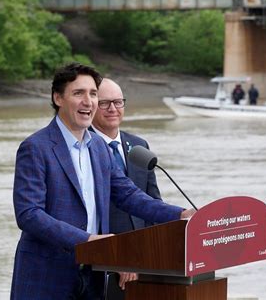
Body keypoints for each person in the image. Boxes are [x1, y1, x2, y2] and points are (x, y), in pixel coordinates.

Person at [10, 63, 195, 300]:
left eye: (93, 94)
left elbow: (129, 195)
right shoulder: (35, 147)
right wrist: (87, 241)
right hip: (47, 275)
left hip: (93, 276)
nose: (88, 102)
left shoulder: (98, 146)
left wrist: (181, 215)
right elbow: (29, 214)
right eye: (79, 93)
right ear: (58, 98)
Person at [90, 78, 161, 297]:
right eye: (104, 103)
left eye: (118, 102)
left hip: (141, 263)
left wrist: (144, 257)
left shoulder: (139, 146)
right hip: (100, 264)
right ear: (92, 105)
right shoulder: (84, 147)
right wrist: (117, 257)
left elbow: (152, 204)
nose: (113, 109)